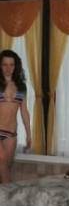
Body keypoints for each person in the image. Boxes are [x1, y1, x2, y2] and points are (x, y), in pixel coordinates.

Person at [0, 50, 31, 184]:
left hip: (11, 133)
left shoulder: (21, 87)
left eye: (11, 65)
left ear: (16, 66)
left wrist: (29, 134)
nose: (8, 68)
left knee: (6, 166)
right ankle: (10, 193)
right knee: (2, 161)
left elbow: (24, 111)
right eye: (4, 65)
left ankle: (5, 193)